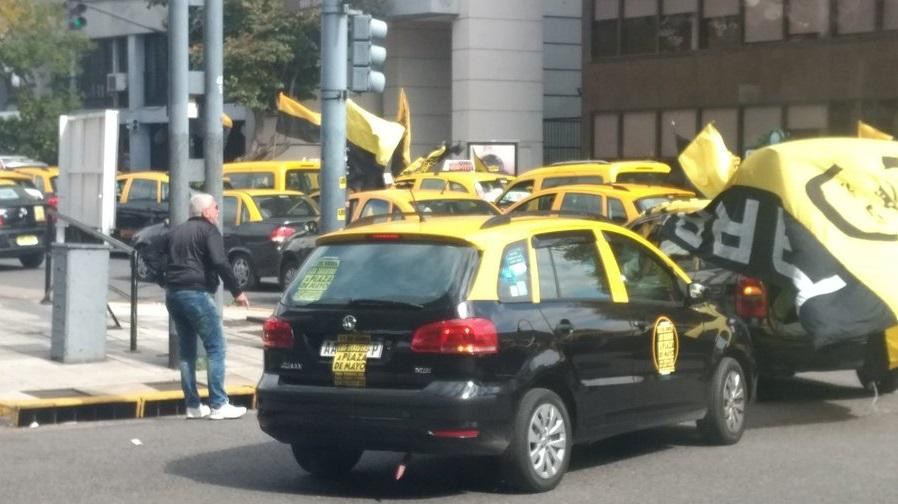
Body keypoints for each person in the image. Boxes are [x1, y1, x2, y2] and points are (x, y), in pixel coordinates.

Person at [162, 192, 250, 420]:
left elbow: (158, 258)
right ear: (205, 211)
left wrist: (163, 280)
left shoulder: (176, 231)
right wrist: (237, 291)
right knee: (216, 347)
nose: (218, 211)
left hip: (173, 294)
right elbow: (220, 261)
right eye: (216, 207)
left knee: (187, 351)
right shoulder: (209, 231)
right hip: (196, 293)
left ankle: (192, 405)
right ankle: (219, 404)